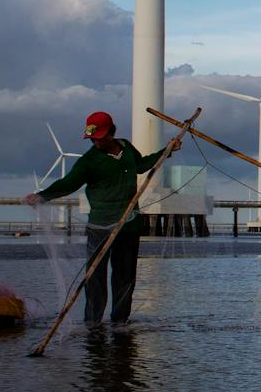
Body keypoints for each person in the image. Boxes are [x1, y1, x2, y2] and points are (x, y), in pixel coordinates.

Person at [24, 111, 178, 323]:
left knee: (125, 278)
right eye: (92, 138)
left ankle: (119, 322)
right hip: (100, 226)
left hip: (129, 225)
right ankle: (93, 324)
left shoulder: (126, 147)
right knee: (95, 277)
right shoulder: (89, 161)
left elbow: (141, 165)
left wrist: (167, 151)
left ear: (112, 133)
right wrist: (41, 196)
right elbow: (69, 183)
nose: (96, 142)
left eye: (100, 137)